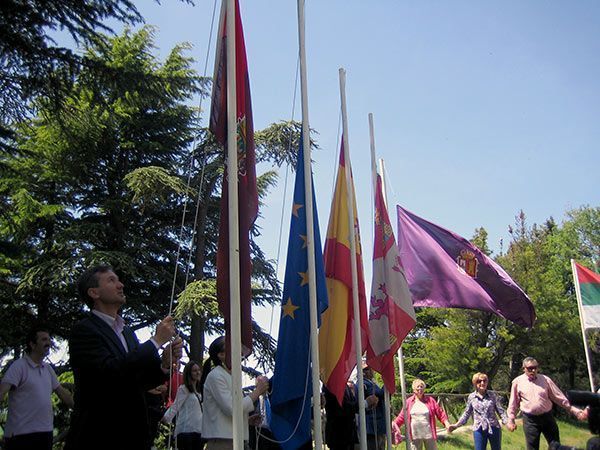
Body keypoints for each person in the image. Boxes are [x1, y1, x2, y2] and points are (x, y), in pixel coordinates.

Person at [65, 265, 183, 450]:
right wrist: (156, 341)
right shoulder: (84, 331)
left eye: (118, 279)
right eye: (111, 280)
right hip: (99, 437)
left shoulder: (127, 333)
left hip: (134, 437)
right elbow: (110, 373)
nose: (120, 285)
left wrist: (164, 364)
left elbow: (138, 380)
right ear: (94, 292)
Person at [0, 327, 74, 450]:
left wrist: (80, 409)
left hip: (45, 433)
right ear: (32, 344)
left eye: (49, 340)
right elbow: (2, 392)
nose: (49, 343)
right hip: (20, 436)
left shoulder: (48, 369)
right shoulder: (19, 367)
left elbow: (62, 393)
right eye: (44, 340)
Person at [200, 336, 269, 450]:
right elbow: (232, 408)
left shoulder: (230, 376)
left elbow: (228, 412)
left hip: (233, 442)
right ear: (221, 355)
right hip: (222, 444)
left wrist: (246, 421)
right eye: (229, 345)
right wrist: (257, 392)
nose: (237, 347)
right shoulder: (216, 376)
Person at [507, 356, 587, 450]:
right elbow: (513, 403)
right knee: (532, 447)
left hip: (547, 418)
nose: (533, 370)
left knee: (555, 446)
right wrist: (511, 420)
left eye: (535, 367)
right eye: (530, 368)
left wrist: (574, 410)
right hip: (530, 420)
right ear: (523, 368)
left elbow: (559, 397)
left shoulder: (545, 380)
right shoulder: (517, 382)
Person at [449, 372, 507, 450]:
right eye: (479, 381)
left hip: (493, 427)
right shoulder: (471, 397)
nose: (482, 383)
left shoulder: (492, 395)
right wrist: (456, 425)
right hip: (479, 428)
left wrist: (507, 422)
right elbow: (466, 413)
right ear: (475, 383)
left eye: (484, 381)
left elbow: (501, 411)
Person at [392, 378, 451, 450]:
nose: (420, 388)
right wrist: (394, 424)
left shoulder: (430, 400)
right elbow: (402, 417)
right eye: (418, 386)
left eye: (421, 386)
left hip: (429, 435)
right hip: (414, 435)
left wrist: (447, 423)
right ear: (413, 389)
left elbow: (440, 413)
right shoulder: (409, 402)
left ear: (424, 389)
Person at [162, 360, 204, 450]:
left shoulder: (199, 392)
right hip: (186, 430)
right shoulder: (184, 389)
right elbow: (176, 405)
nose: (198, 373)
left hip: (198, 430)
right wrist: (166, 418)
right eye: (194, 371)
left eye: (198, 370)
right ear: (189, 373)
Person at [361, 364, 386, 450]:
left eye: (370, 369)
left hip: (378, 423)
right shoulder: (364, 383)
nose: (371, 371)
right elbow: (378, 394)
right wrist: (387, 383)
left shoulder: (372, 383)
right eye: (367, 369)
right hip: (371, 424)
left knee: (380, 446)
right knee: (373, 446)